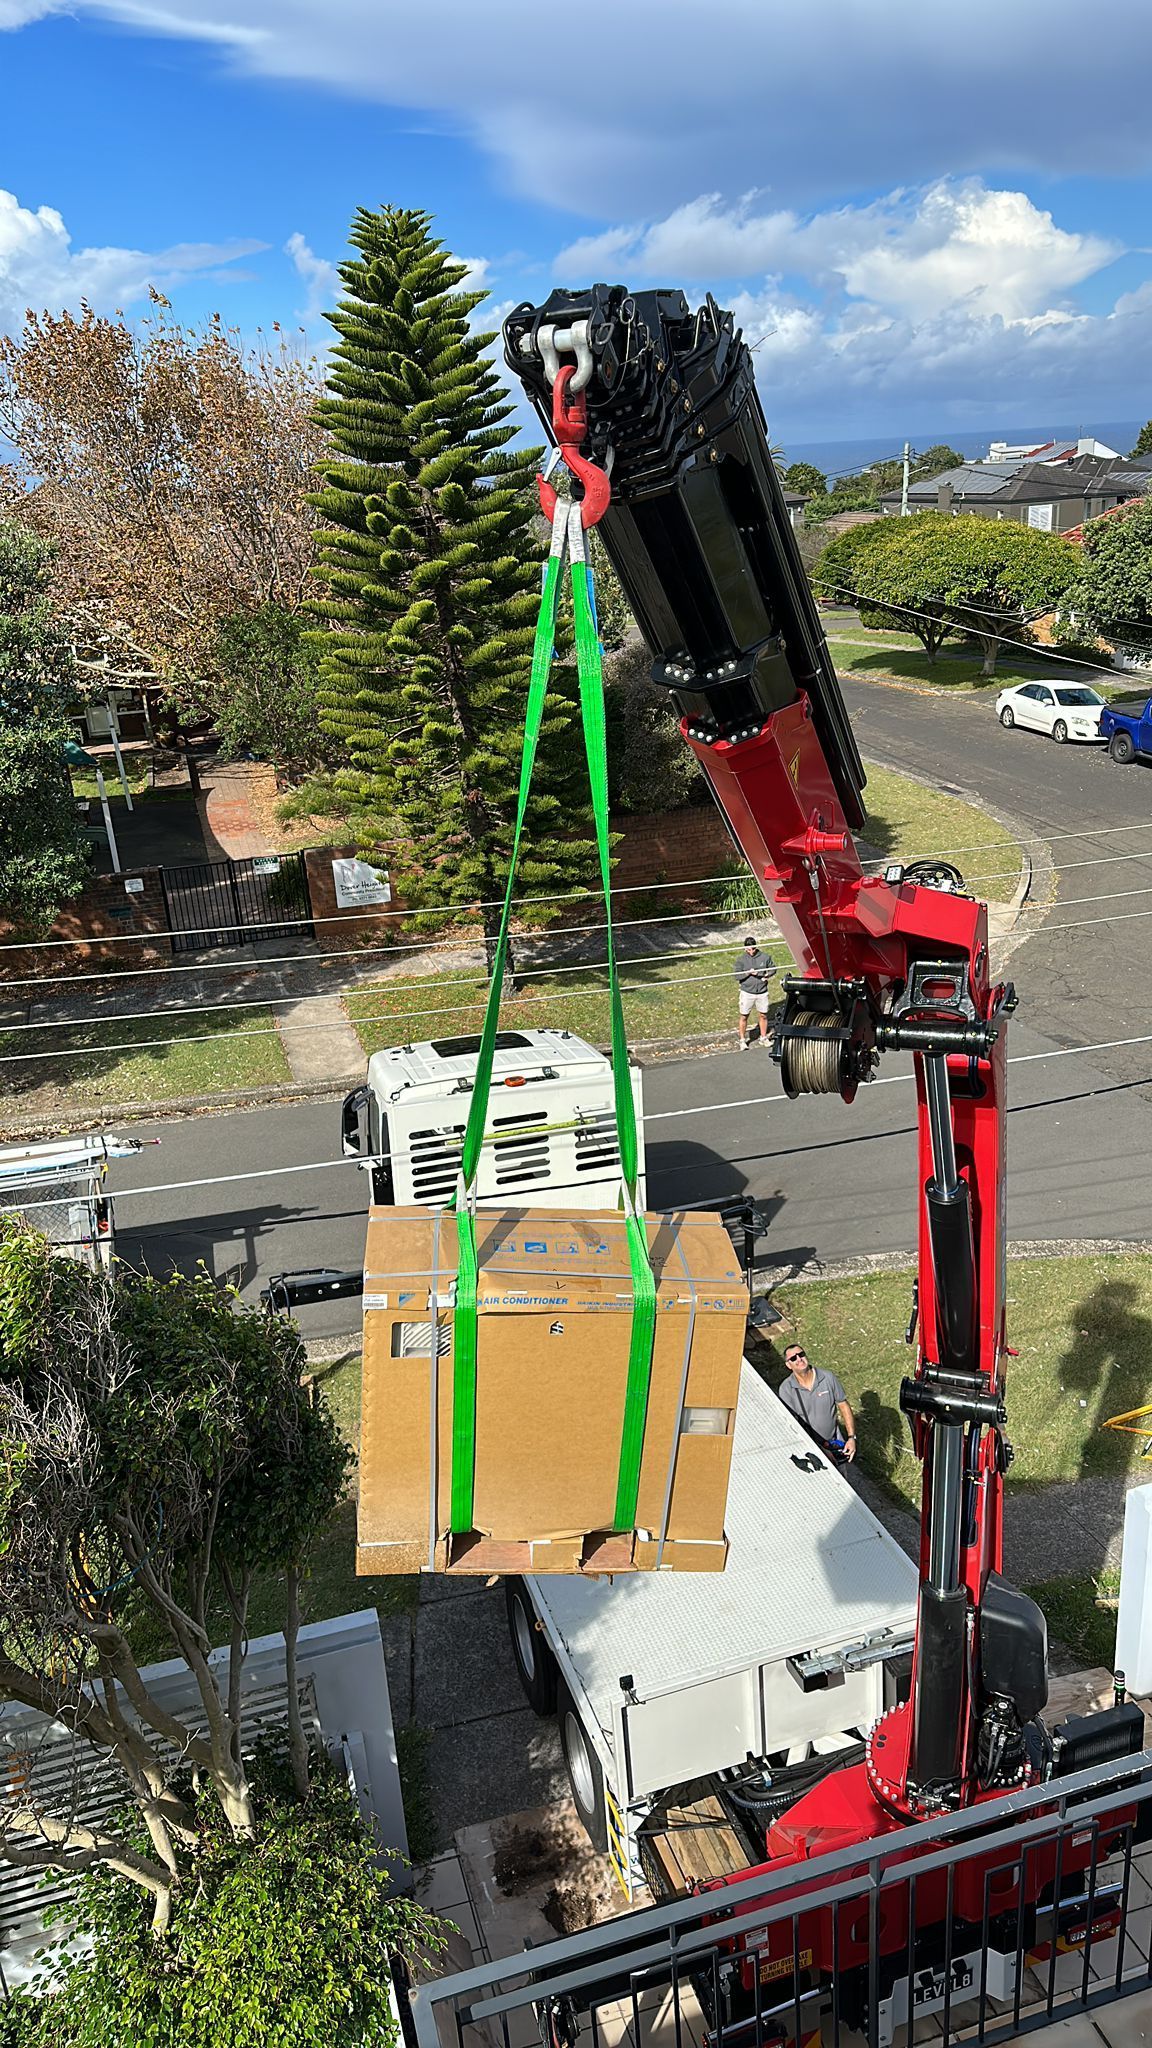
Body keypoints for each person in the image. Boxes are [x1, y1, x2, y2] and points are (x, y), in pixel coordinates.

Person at [776, 1342, 857, 1461]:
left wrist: (851, 1438)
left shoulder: (827, 1377)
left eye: (801, 1354)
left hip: (835, 1442)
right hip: (809, 1448)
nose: (799, 1359)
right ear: (788, 1365)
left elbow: (843, 1405)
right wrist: (820, 1450)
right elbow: (790, 1426)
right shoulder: (786, 1389)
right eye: (793, 1358)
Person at [735, 935, 776, 1050]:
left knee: (763, 1015)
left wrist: (767, 975)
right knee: (744, 1016)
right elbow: (737, 976)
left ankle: (763, 1038)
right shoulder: (741, 960)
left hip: (762, 992)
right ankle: (742, 1040)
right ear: (745, 949)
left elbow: (773, 969)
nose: (751, 952)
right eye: (748, 949)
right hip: (747, 992)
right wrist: (748, 973)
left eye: (753, 949)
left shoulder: (765, 957)